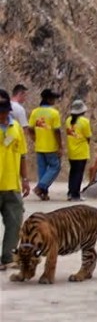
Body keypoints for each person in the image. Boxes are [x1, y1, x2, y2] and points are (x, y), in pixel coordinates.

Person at [0, 89, 30, 271]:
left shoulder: (16, 127)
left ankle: (8, 256)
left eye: (4, 111)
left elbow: (23, 155)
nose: (3, 115)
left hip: (12, 184)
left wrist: (25, 179)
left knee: (15, 222)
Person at [28, 89, 63, 201]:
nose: (54, 100)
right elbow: (57, 131)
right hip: (51, 146)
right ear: (48, 99)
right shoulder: (54, 113)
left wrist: (34, 138)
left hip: (39, 146)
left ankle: (44, 193)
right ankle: (40, 187)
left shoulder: (35, 112)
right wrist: (60, 146)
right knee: (55, 167)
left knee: (42, 170)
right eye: (53, 98)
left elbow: (30, 128)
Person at [65, 99, 92, 201]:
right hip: (81, 151)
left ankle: (70, 192)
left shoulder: (68, 120)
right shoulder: (85, 122)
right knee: (78, 174)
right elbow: (88, 136)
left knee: (72, 172)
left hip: (71, 151)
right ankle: (75, 194)